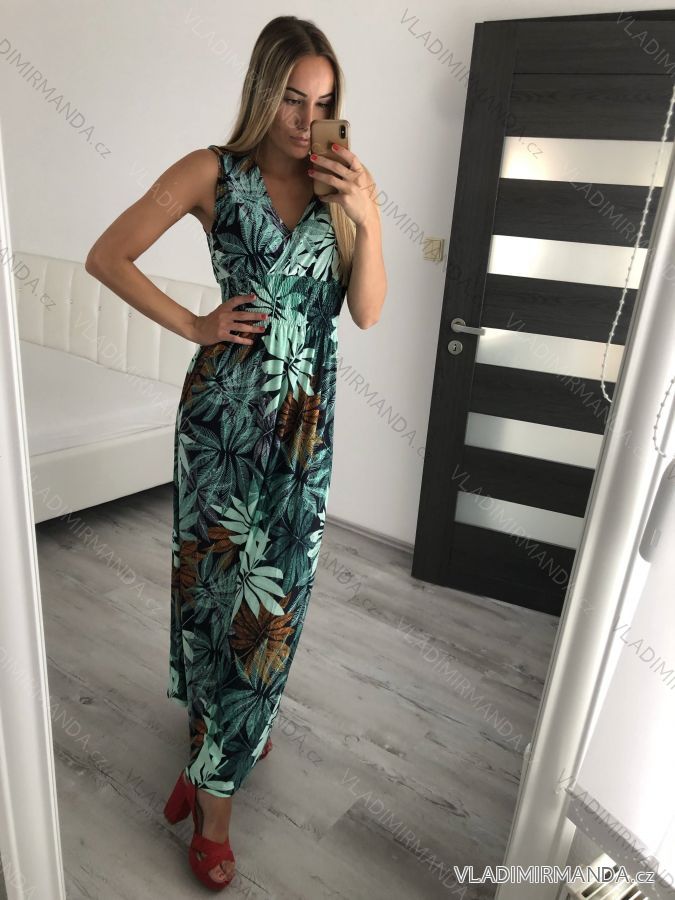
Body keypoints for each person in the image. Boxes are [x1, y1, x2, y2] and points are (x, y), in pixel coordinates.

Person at [85, 14, 386, 891]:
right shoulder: (210, 172)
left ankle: (211, 753)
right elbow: (108, 256)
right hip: (222, 424)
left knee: (275, 613)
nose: (306, 119)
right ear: (262, 91)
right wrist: (195, 323)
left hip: (304, 434)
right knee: (215, 598)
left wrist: (366, 215)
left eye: (323, 102)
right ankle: (214, 803)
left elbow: (367, 312)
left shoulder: (344, 188)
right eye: (291, 98)